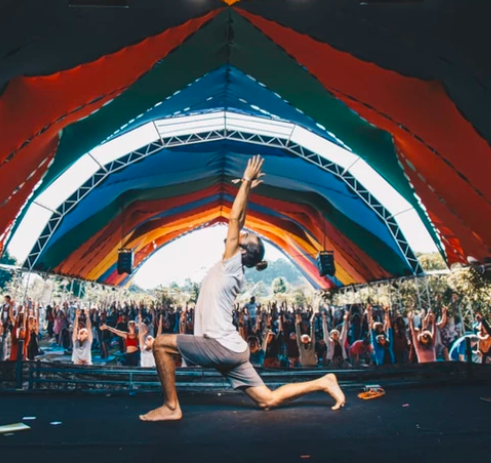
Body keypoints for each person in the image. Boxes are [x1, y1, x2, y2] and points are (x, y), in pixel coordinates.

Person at [140, 155, 345, 421]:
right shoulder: (233, 265)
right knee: (267, 400)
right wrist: (246, 190)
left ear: (242, 249)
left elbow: (235, 219)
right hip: (231, 348)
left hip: (219, 345)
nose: (239, 232)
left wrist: (246, 180)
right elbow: (241, 219)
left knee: (161, 344)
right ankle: (324, 382)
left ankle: (171, 407)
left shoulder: (230, 264)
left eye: (244, 236)